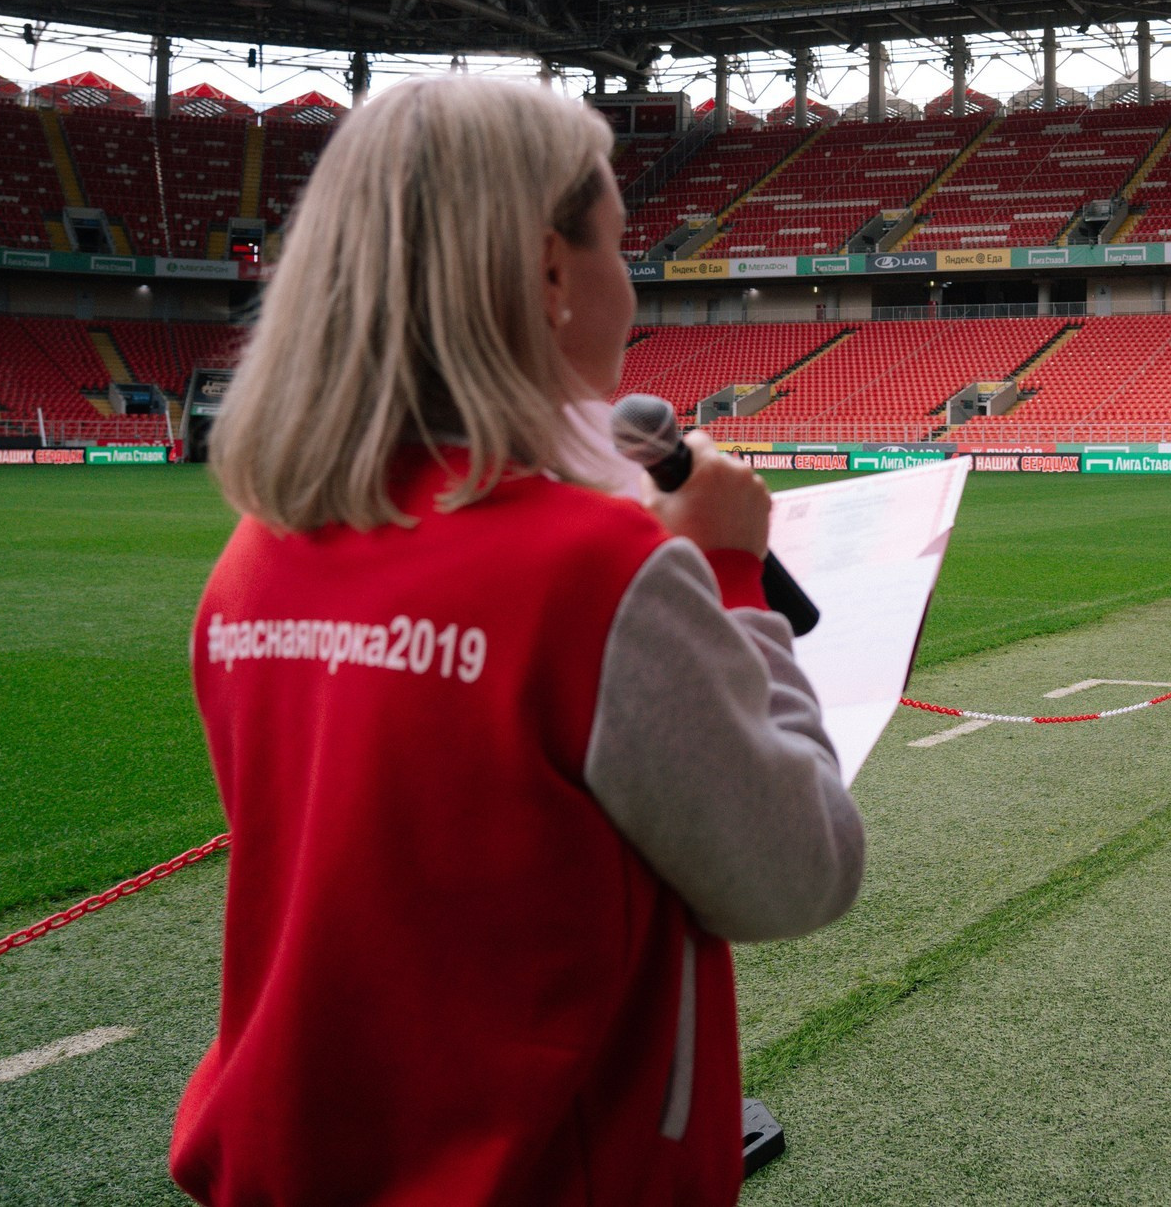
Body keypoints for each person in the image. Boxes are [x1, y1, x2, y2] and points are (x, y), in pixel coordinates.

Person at [171, 78, 864, 1206]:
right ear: (551, 272)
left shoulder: (255, 556)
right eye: (620, 249)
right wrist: (735, 576)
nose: (629, 294)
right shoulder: (593, 571)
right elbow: (798, 874)